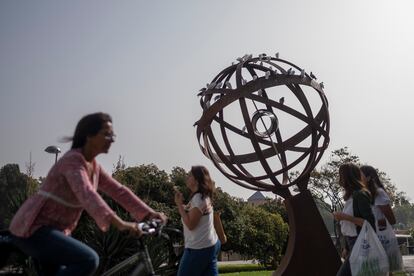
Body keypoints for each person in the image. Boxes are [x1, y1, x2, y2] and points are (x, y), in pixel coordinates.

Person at [9, 112, 166, 276]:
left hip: (56, 232)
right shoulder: (73, 161)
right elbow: (87, 194)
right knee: (89, 260)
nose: (112, 139)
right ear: (89, 135)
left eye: (112, 135)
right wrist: (120, 224)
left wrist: (149, 214)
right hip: (33, 229)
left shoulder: (94, 167)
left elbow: (119, 191)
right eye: (106, 134)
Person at [174, 166, 221, 276]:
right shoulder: (202, 197)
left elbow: (191, 224)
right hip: (210, 245)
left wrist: (179, 205)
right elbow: (196, 214)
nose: (187, 177)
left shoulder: (198, 198)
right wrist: (185, 208)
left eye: (190, 175)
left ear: (197, 179)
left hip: (198, 249)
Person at [333, 163, 376, 276]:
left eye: (341, 176)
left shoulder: (360, 195)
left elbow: (369, 223)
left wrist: (344, 217)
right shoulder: (352, 196)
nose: (339, 179)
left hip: (360, 243)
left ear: (347, 177)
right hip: (352, 243)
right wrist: (346, 247)